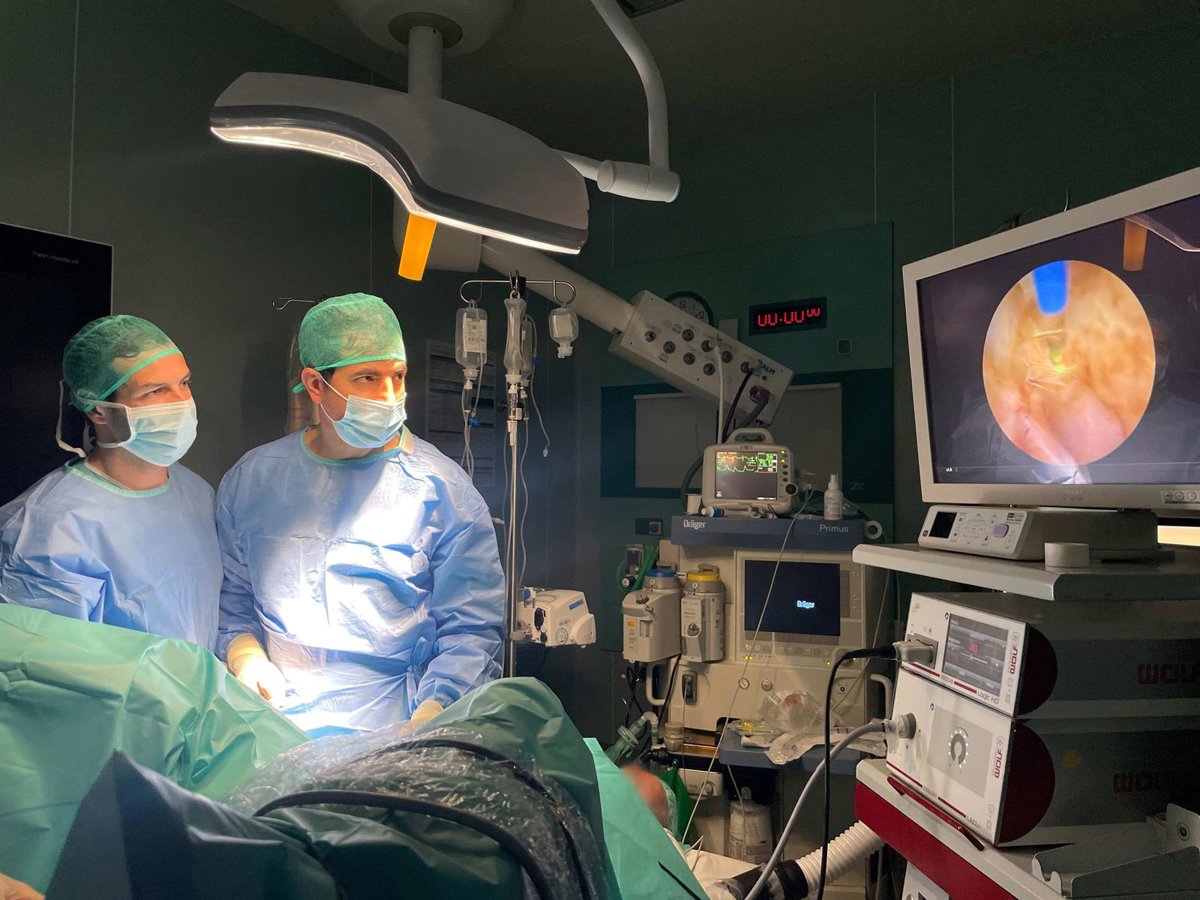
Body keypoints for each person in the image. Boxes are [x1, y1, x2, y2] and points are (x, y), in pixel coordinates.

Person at [216, 293, 505, 736]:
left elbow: (472, 630)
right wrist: (246, 655)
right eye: (367, 378)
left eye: (398, 376)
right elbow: (233, 600)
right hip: (275, 722)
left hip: (398, 726)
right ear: (315, 386)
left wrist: (433, 714)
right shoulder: (253, 480)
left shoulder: (442, 491)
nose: (389, 396)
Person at [0, 315, 220, 647]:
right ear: (98, 410)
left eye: (184, 383)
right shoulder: (49, 529)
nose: (182, 402)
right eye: (155, 391)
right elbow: (52, 665)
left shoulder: (196, 492)